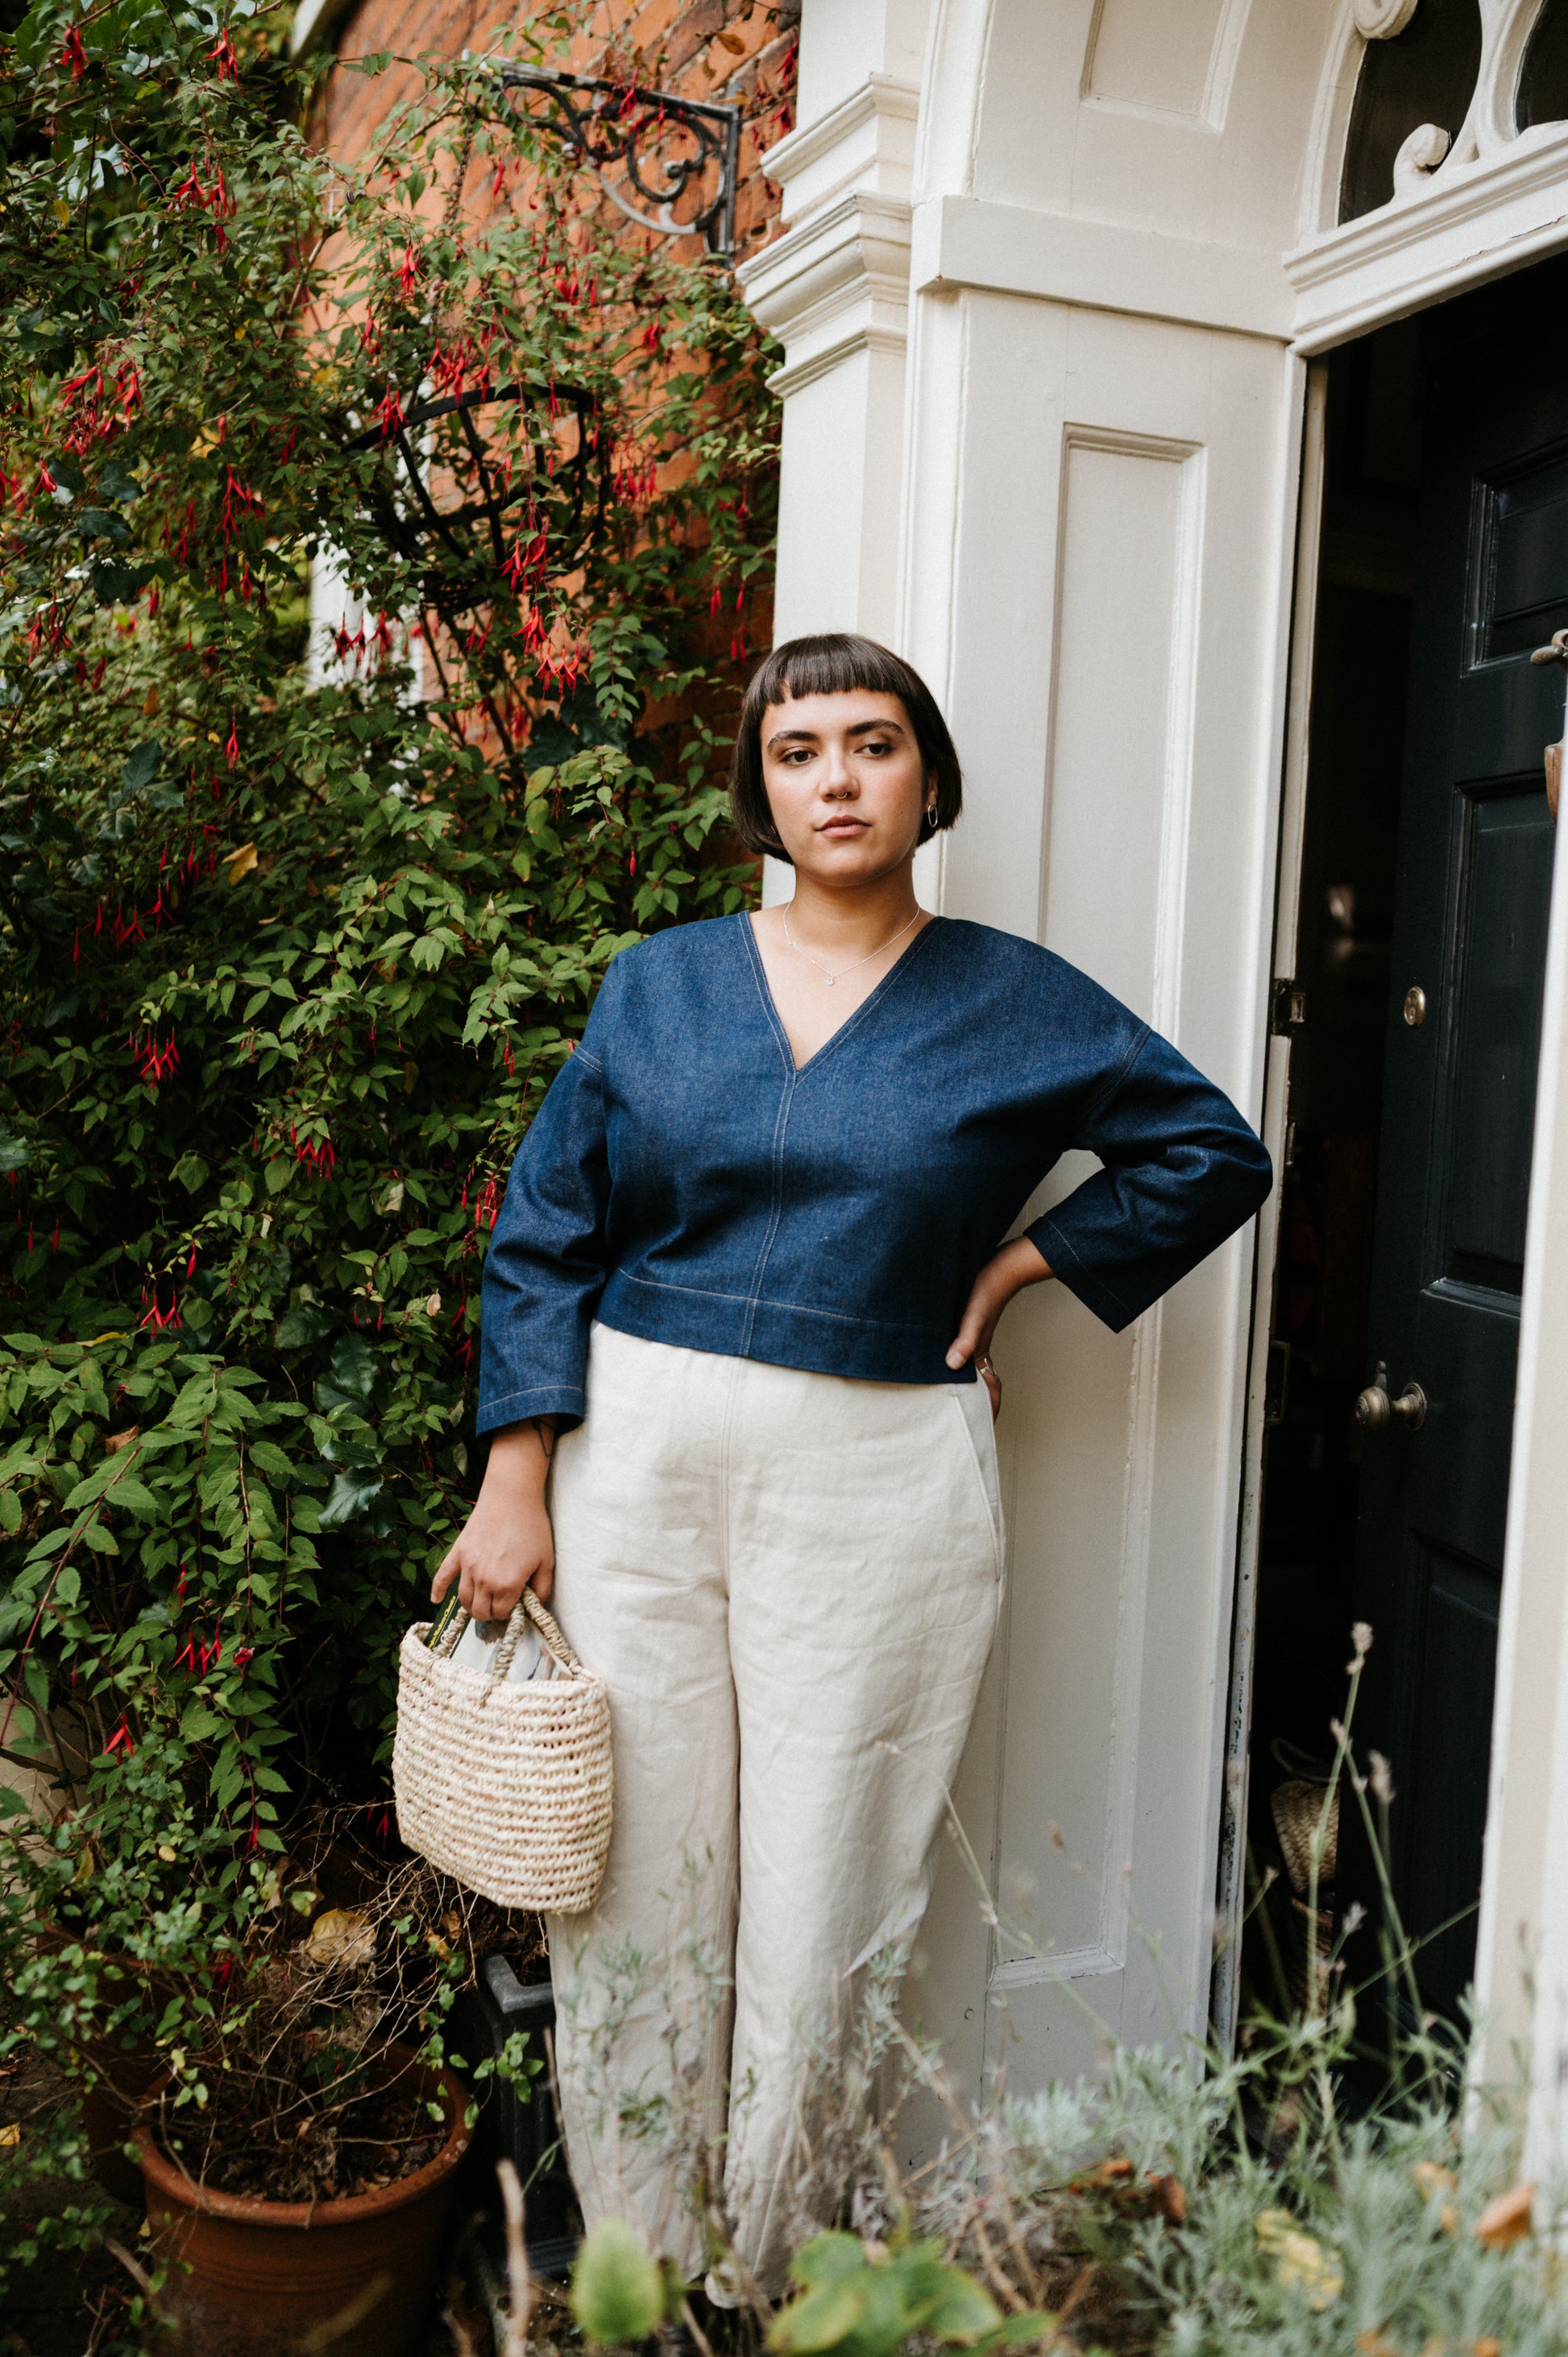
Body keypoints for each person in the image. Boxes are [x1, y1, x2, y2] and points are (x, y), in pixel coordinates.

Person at [432, 633, 1271, 2294]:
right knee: (640, 1880)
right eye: (798, 748)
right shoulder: (656, 982)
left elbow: (1210, 1152)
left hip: (882, 1468)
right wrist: (513, 1474)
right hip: (637, 1464)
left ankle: (761, 2271)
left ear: (927, 779)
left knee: (832, 1868)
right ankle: (638, 2265)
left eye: (871, 744)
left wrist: (1025, 1269)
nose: (834, 777)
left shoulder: (1016, 998)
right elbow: (544, 1228)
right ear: (758, 788)